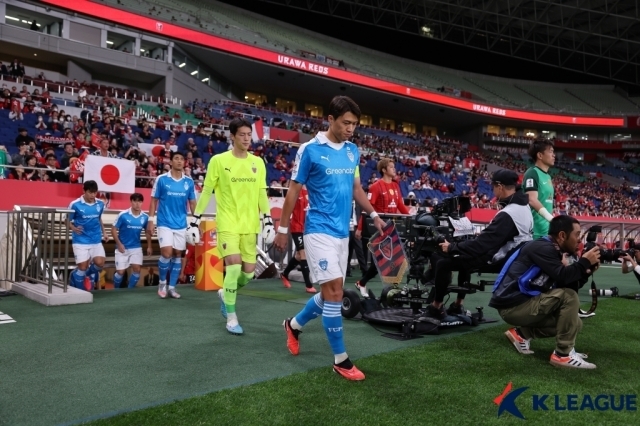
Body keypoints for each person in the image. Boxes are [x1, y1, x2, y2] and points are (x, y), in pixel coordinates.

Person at [274, 96, 385, 381]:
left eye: (355, 125)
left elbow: (357, 188)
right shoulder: (310, 150)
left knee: (329, 295)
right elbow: (293, 192)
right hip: (318, 229)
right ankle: (341, 360)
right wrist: (283, 230)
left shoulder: (352, 151)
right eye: (346, 123)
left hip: (342, 231)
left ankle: (294, 325)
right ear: (331, 119)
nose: (351, 129)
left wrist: (373, 215)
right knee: (336, 293)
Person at [190, 117, 272, 335]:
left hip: (250, 225)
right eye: (242, 135)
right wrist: (195, 220)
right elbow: (207, 191)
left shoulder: (258, 162)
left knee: (247, 274)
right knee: (233, 267)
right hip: (227, 223)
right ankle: (232, 317)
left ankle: (225, 293)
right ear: (232, 136)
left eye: (249, 135)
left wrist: (267, 219)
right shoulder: (218, 160)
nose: (246, 139)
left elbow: (262, 194)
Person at [489, 215, 601, 369]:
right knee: (568, 296)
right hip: (512, 305)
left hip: (522, 302)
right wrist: (583, 262)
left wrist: (586, 271)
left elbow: (566, 282)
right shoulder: (542, 248)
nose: (580, 240)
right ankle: (562, 355)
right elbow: (564, 278)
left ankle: (522, 334)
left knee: (575, 323)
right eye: (577, 234)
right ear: (562, 235)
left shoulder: (551, 249)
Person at [423, 170, 533, 318]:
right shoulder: (524, 207)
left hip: (500, 259)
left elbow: (481, 246)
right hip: (512, 255)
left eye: (494, 187)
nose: (493, 192)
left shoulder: (509, 213)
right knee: (464, 253)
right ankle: (458, 304)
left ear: (500, 186)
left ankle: (436, 307)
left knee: (443, 262)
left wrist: (451, 247)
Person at [355, 158, 410, 297]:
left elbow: (400, 206)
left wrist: (410, 218)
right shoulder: (375, 186)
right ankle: (364, 283)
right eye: (391, 167)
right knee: (382, 260)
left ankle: (364, 283)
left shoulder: (396, 186)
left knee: (393, 259)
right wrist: (360, 228)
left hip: (391, 226)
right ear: (384, 170)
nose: (394, 169)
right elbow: (367, 209)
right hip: (377, 226)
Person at [148, 151, 197, 299]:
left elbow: (193, 202)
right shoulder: (162, 179)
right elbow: (153, 201)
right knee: (167, 253)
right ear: (171, 162)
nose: (179, 161)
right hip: (164, 222)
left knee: (177, 254)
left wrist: (196, 222)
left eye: (182, 159)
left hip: (181, 224)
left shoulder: (189, 182)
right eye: (176, 158)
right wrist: (151, 220)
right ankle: (162, 283)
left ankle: (172, 287)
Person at [67, 180, 109, 291]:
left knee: (100, 263)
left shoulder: (100, 204)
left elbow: (99, 218)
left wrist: (104, 232)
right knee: (82, 267)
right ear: (84, 191)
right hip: (80, 240)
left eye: (95, 192)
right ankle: (82, 292)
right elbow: (66, 220)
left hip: (96, 239)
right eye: (90, 192)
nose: (93, 195)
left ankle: (81, 275)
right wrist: (73, 228)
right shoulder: (75, 204)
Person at [111, 193, 153, 289]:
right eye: (135, 201)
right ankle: (116, 290)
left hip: (136, 247)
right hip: (122, 248)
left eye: (140, 201)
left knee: (137, 270)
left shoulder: (145, 217)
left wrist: (149, 246)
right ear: (131, 202)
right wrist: (119, 244)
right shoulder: (123, 215)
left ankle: (129, 290)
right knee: (120, 273)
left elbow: (147, 232)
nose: (137, 204)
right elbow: (113, 230)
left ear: (142, 203)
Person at [280, 185, 316, 293]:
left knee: (299, 256)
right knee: (303, 254)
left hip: (308, 228)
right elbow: (287, 209)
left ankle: (284, 274)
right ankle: (309, 286)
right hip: (297, 228)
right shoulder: (295, 191)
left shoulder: (311, 191)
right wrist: (283, 229)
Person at [524, 139, 555, 239]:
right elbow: (532, 199)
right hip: (535, 233)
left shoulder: (548, 177)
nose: (554, 155)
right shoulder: (532, 173)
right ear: (540, 155)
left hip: (546, 231)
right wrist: (550, 218)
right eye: (550, 151)